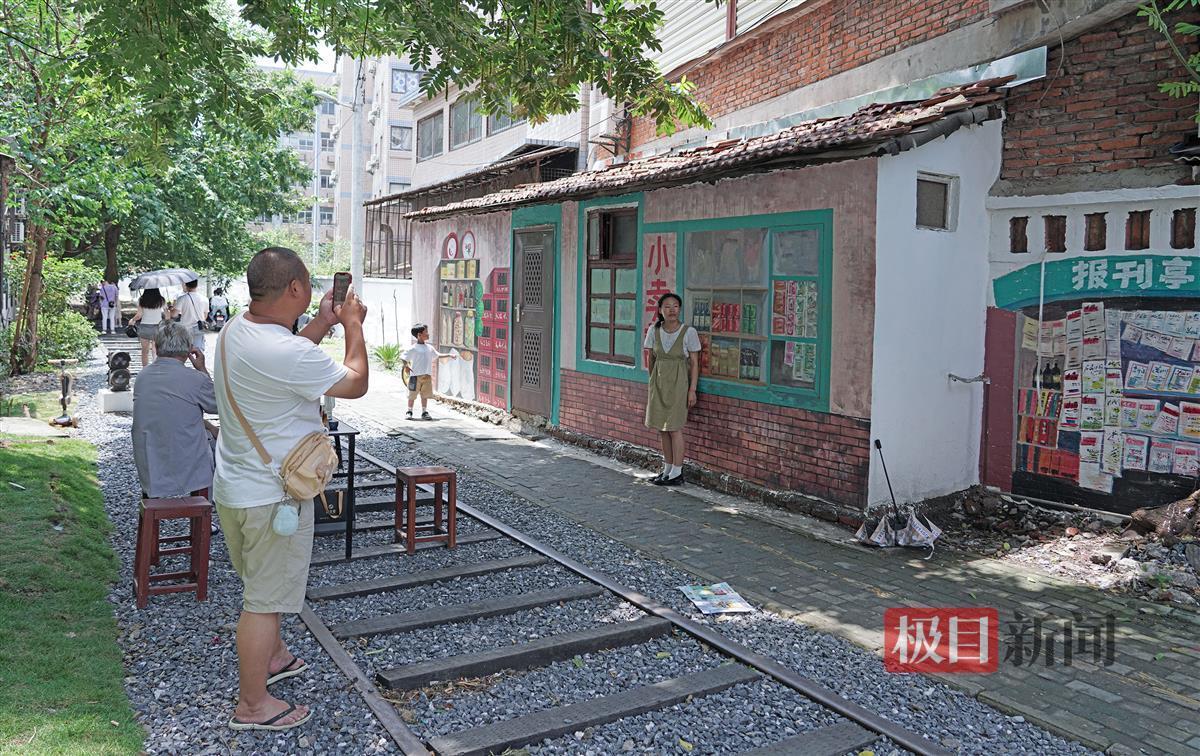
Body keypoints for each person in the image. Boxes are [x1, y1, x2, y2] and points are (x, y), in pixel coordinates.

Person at [213, 247, 367, 732]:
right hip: (273, 497)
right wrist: (354, 325)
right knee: (261, 601)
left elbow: (288, 358)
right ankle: (253, 706)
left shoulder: (237, 329)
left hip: (236, 488)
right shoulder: (288, 352)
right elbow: (357, 383)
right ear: (296, 289)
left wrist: (322, 324)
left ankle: (275, 656)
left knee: (261, 581)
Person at [131, 321, 218, 503]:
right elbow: (216, 405)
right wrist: (201, 369)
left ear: (156, 345)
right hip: (186, 459)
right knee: (217, 445)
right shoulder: (194, 379)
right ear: (189, 350)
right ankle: (205, 509)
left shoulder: (143, 376)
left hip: (150, 459)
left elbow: (173, 411)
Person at [643, 292, 700, 486]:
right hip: (658, 383)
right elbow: (651, 358)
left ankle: (677, 472)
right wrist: (653, 380)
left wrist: (692, 390)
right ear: (660, 310)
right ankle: (667, 469)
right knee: (662, 428)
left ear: (680, 309)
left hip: (678, 384)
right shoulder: (654, 330)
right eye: (667, 306)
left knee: (674, 428)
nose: (672, 310)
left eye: (675, 306)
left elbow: (694, 362)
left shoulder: (688, 332)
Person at [401, 323, 451, 420]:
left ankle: (424, 412)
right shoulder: (413, 348)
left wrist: (449, 355)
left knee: (425, 395)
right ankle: (409, 411)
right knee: (412, 395)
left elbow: (437, 355)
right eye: (426, 332)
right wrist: (406, 366)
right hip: (415, 377)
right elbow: (403, 357)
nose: (428, 334)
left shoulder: (429, 348)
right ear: (419, 335)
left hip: (427, 376)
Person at [129, 288, 166, 367]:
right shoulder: (161, 299)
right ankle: (156, 368)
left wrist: (132, 320)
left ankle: (145, 369)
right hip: (158, 327)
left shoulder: (142, 299)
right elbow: (167, 314)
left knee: (145, 351)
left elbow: (139, 315)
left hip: (145, 327)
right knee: (155, 350)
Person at [171, 279, 208, 352]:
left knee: (183, 351)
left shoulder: (182, 298)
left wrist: (171, 309)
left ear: (186, 285)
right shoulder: (204, 299)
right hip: (199, 327)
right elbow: (205, 316)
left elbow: (174, 315)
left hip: (185, 328)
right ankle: (198, 363)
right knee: (198, 351)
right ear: (197, 285)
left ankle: (182, 363)